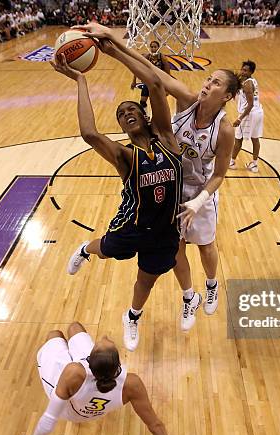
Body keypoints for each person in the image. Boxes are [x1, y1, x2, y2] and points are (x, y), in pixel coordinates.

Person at [75, 23, 237, 336]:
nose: (207, 84)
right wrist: (114, 44)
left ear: (227, 95)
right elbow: (153, 74)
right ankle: (189, 297)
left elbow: (218, 174)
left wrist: (199, 201)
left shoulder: (225, 129)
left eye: (216, 83)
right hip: (172, 185)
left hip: (200, 191)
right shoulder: (189, 101)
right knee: (176, 247)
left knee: (204, 247)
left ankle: (212, 284)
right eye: (208, 78)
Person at [55, 41, 182, 352]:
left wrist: (119, 51)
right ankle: (86, 249)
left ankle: (132, 316)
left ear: (146, 116)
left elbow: (154, 83)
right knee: (107, 249)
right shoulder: (124, 155)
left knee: (147, 280)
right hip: (133, 226)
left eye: (132, 109)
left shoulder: (167, 138)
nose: (127, 114)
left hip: (166, 231)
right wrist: (80, 80)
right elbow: (89, 133)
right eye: (122, 114)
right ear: (122, 126)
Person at [15, 322, 194, 435]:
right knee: (75, 327)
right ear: (117, 365)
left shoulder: (74, 372)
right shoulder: (132, 384)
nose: (105, 336)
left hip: (69, 410)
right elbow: (154, 424)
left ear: (89, 358)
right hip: (92, 410)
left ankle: (56, 342)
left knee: (55, 335)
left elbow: (49, 418)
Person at [229, 60, 264, 173]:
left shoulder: (247, 84)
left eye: (245, 70)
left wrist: (240, 118)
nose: (243, 72)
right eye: (242, 69)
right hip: (258, 112)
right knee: (255, 138)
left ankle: (232, 162)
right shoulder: (252, 81)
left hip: (250, 113)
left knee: (238, 138)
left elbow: (250, 104)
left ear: (251, 72)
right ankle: (254, 164)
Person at [131, 40, 171, 110]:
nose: (153, 49)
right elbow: (137, 68)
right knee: (142, 102)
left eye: (155, 47)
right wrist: (134, 81)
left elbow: (168, 74)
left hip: (159, 83)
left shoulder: (163, 58)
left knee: (158, 103)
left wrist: (167, 89)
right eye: (151, 47)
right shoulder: (147, 57)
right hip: (148, 82)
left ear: (158, 48)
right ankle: (146, 116)